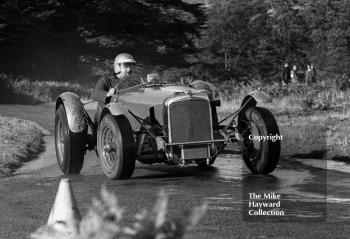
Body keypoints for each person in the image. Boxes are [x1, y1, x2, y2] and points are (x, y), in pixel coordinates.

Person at [91, 53, 139, 124]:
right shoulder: (106, 81)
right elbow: (94, 94)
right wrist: (108, 94)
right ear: (118, 67)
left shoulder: (135, 84)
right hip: (106, 120)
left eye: (131, 66)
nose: (129, 69)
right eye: (126, 66)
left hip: (130, 119)